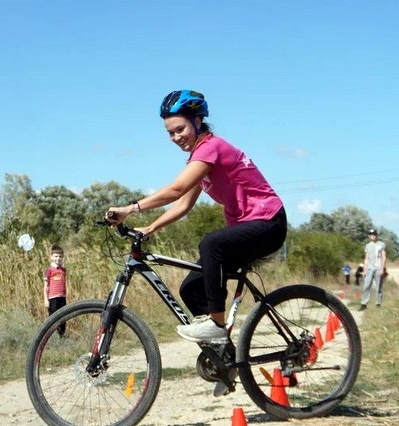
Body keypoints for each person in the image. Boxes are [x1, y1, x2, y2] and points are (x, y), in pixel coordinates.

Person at [105, 90, 287, 344]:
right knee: (191, 289)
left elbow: (176, 189)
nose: (176, 137)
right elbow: (183, 204)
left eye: (180, 129)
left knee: (211, 244)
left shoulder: (212, 147)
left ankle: (216, 325)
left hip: (269, 222)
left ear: (198, 121)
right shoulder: (198, 158)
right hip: (248, 227)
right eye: (171, 133)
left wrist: (130, 208)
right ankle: (222, 353)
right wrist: (150, 227)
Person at [359, 229, 386, 310]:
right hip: (370, 268)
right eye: (371, 234)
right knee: (366, 285)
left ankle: (378, 303)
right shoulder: (368, 245)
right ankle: (364, 303)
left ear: (376, 235)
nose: (372, 235)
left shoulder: (381, 244)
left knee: (378, 287)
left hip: (378, 268)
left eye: (374, 234)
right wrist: (364, 270)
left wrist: (382, 269)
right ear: (369, 236)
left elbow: (383, 257)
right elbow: (366, 258)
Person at [43, 245, 67, 336]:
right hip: (53, 298)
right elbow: (46, 286)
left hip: (62, 297)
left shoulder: (63, 270)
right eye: (56, 256)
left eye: (60, 256)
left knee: (63, 317)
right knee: (53, 318)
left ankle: (61, 335)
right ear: (51, 257)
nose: (58, 258)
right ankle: (51, 335)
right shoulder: (49, 270)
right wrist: (46, 299)